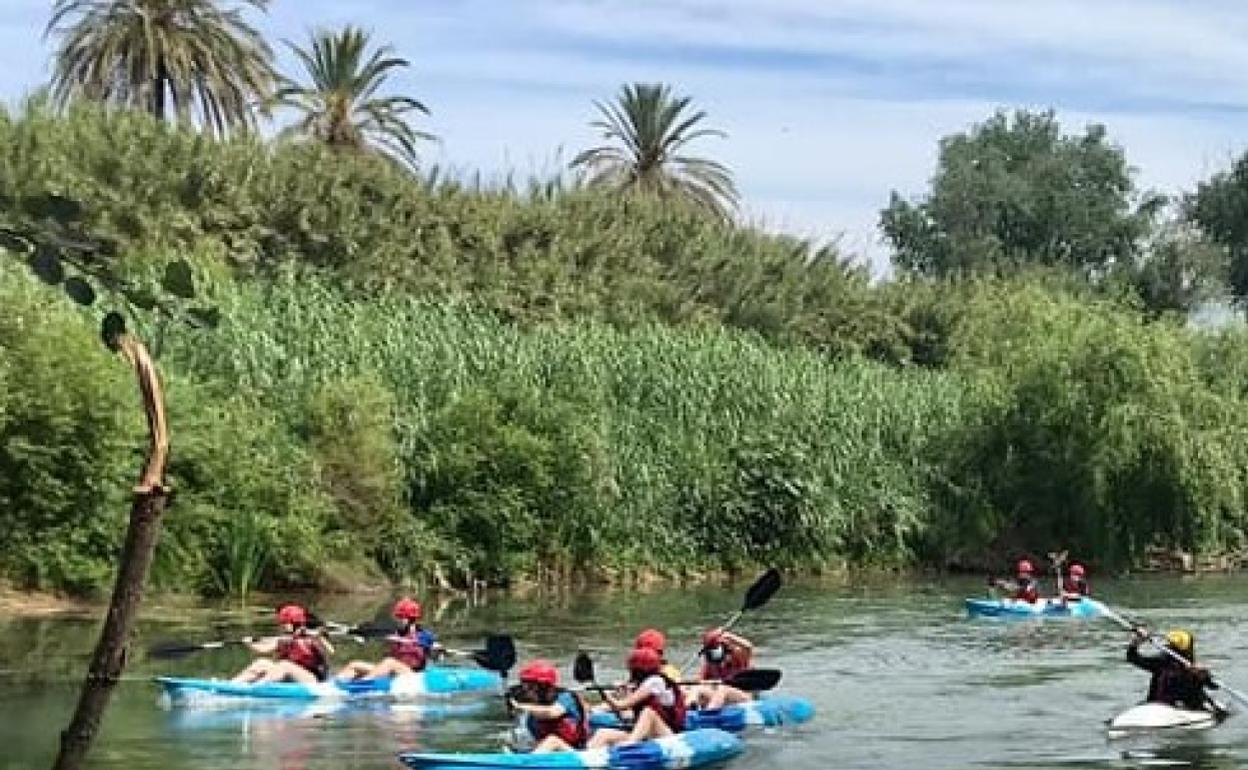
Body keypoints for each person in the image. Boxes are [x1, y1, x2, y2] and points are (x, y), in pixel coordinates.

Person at [587, 647, 686, 748]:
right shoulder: (642, 684)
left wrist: (603, 693)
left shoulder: (655, 681)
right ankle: (586, 758)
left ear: (639, 670)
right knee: (602, 734)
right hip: (646, 735)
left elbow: (620, 705)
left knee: (649, 712)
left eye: (632, 668)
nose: (630, 671)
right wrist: (624, 695)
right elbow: (626, 717)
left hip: (667, 736)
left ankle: (629, 745)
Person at [336, 597, 442, 681]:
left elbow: (436, 657)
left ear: (411, 619)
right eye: (398, 617)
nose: (398, 620)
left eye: (401, 617)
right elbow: (374, 629)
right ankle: (334, 685)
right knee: (354, 665)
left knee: (389, 662)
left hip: (412, 675)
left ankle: (362, 683)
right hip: (392, 672)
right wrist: (360, 631)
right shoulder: (394, 632)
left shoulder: (424, 635)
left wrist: (436, 651)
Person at [232, 604, 334, 684]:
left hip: (313, 680)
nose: (282, 626)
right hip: (290, 676)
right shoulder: (284, 639)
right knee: (262, 662)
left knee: (285, 665)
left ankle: (257, 687)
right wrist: (249, 643)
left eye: (285, 623)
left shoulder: (313, 638)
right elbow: (264, 649)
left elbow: (330, 652)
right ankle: (233, 684)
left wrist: (319, 638)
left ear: (294, 623)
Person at [1127, 628, 1221, 713]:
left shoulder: (1195, 670)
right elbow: (1132, 658)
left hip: (1186, 708)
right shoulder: (1161, 662)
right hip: (1159, 706)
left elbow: (1214, 685)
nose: (1168, 647)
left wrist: (1204, 674)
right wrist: (1136, 642)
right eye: (1170, 645)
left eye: (1171, 645)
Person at [508, 659, 590, 753]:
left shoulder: (566, 697)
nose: (526, 692)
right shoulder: (534, 711)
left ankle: (526, 765)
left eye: (530, 687)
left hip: (577, 751)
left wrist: (520, 706)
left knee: (552, 741)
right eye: (525, 687)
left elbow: (552, 712)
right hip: (553, 754)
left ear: (543, 687)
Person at [694, 627, 754, 709]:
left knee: (723, 689)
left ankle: (709, 713)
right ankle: (687, 710)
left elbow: (748, 647)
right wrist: (710, 683)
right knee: (697, 689)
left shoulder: (739, 656)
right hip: (718, 697)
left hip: (742, 696)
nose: (712, 655)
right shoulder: (710, 663)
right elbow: (699, 682)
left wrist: (729, 636)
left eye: (715, 651)